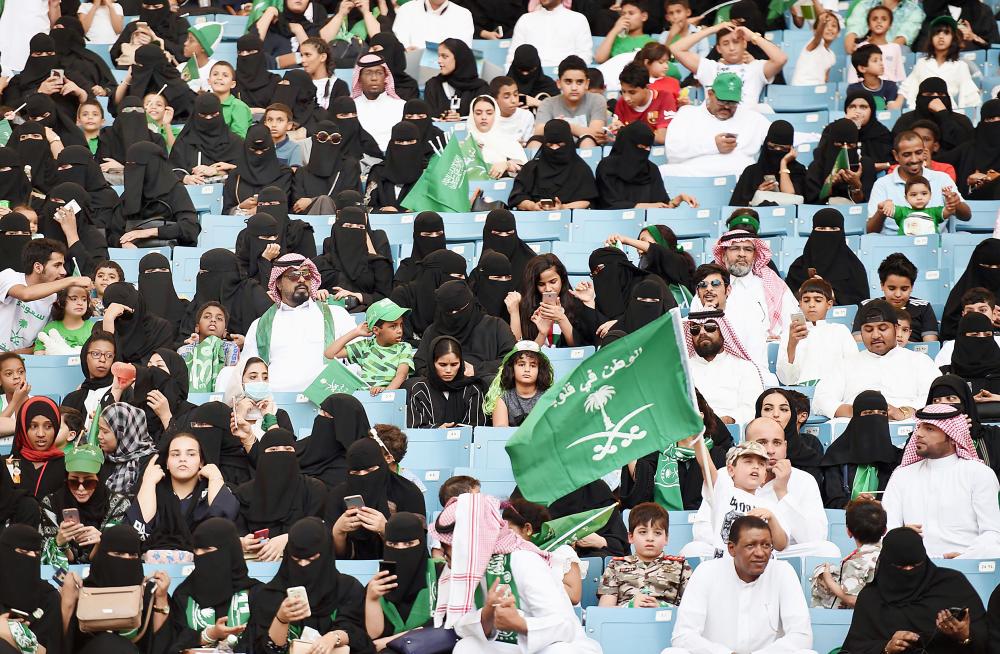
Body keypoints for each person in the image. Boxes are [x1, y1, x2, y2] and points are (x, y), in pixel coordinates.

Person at [431, 492, 603, 654]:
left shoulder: (524, 561)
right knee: (466, 647)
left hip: (551, 644)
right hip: (507, 645)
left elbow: (564, 626)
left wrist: (521, 624)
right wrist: (486, 615)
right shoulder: (460, 569)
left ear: (471, 542)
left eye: (449, 545)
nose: (443, 553)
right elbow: (460, 624)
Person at [666, 515, 814, 654]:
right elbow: (683, 636)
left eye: (766, 545)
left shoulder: (783, 572)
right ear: (732, 548)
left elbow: (802, 636)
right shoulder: (706, 572)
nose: (760, 553)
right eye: (751, 546)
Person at [881, 403, 1000, 559]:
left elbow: (992, 532)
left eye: (929, 429)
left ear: (952, 437)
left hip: (966, 566)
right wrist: (899, 536)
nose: (919, 434)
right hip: (913, 566)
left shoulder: (979, 474)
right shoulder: (902, 475)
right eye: (920, 427)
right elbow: (887, 528)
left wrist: (965, 558)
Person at [843, 526, 986, 653]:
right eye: (900, 567)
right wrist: (886, 648)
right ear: (886, 563)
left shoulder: (952, 585)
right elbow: (853, 648)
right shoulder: (871, 599)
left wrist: (965, 636)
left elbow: (989, 641)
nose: (909, 571)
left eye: (916, 565)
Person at [251, 516, 374, 653]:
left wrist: (335, 637)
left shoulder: (347, 588)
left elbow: (360, 636)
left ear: (326, 555)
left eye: (311, 560)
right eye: (296, 560)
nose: (303, 565)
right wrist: (281, 619)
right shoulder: (270, 594)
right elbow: (264, 650)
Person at [239, 254, 356, 392]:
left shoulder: (336, 315)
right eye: (294, 275)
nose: (301, 279)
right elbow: (249, 371)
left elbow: (359, 357)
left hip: (328, 400)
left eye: (306, 274)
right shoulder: (260, 325)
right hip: (277, 403)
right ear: (278, 283)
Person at [815, 299, 940, 418]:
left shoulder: (919, 361)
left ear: (896, 329)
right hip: (856, 428)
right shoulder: (845, 364)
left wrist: (903, 412)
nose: (875, 335)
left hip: (908, 427)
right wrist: (855, 411)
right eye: (868, 330)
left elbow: (936, 396)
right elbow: (822, 399)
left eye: (882, 328)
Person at [620, 390, 734, 511]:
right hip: (663, 525)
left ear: (701, 415)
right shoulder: (657, 453)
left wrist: (697, 435)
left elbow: (720, 492)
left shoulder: (717, 454)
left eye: (688, 411)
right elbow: (640, 492)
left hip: (705, 523)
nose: (682, 417)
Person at [167, 518, 261, 653]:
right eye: (196, 550)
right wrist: (209, 635)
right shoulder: (183, 596)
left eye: (207, 550)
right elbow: (172, 644)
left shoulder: (256, 594)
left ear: (229, 551)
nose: (199, 556)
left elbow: (263, 645)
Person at [234, 429, 328, 561]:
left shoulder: (313, 489)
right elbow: (237, 531)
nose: (282, 454)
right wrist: (243, 542)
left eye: (288, 449)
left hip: (301, 561)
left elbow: (319, 529)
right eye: (273, 450)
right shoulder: (244, 493)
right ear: (262, 455)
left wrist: (289, 538)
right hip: (255, 562)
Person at [328, 438, 425, 560]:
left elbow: (417, 551)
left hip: (396, 571)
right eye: (356, 472)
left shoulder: (408, 492)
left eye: (370, 470)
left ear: (383, 465)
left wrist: (387, 530)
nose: (363, 476)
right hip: (349, 574)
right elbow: (334, 559)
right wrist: (338, 532)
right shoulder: (338, 496)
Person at [38, 439, 129, 565]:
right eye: (74, 482)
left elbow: (121, 557)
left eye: (88, 482)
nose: (81, 489)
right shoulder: (51, 504)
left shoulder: (118, 504)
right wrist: (59, 542)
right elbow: (47, 560)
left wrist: (102, 542)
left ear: (100, 479)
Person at [661, 73, 771, 177]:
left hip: (737, 178)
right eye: (722, 101)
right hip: (694, 175)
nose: (727, 107)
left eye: (733, 102)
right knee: (663, 171)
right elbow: (673, 152)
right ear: (710, 94)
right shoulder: (687, 114)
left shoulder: (753, 118)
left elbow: (779, 137)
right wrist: (713, 145)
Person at [698, 229, 798, 343]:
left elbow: (793, 327)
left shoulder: (773, 285)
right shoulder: (707, 288)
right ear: (723, 254)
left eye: (748, 249)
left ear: (754, 255)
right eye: (735, 248)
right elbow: (697, 330)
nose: (742, 254)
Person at [669, 21, 787, 112]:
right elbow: (676, 49)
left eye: (736, 42)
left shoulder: (755, 68)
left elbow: (781, 59)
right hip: (714, 121)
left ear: (744, 43)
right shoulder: (710, 67)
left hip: (745, 122)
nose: (731, 48)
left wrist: (752, 36)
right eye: (726, 43)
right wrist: (714, 29)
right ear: (718, 48)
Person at [867, 130, 970, 234]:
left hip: (935, 243)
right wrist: (881, 213)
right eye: (907, 155)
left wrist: (956, 203)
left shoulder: (942, 178)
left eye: (918, 153)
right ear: (896, 155)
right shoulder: (882, 184)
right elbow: (870, 231)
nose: (914, 159)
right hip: (894, 244)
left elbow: (966, 216)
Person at [599, 502, 692, 608]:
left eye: (657, 533)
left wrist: (661, 607)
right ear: (631, 537)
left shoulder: (681, 566)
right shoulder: (615, 565)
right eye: (643, 532)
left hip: (666, 622)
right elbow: (604, 610)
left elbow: (692, 609)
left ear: (666, 538)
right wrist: (630, 606)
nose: (650, 538)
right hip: (626, 622)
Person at [0, 238, 84, 355]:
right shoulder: (8, 276)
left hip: (21, 363)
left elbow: (41, 343)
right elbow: (25, 294)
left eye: (63, 265)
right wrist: (72, 280)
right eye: (57, 265)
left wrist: (10, 357)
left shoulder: (55, 299)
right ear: (38, 267)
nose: (63, 271)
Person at [821, 391, 901, 508]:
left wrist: (883, 506)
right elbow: (831, 501)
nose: (876, 418)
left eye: (882, 413)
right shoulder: (836, 455)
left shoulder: (896, 457)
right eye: (868, 413)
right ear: (856, 417)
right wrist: (853, 505)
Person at [776, 277, 861, 387]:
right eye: (806, 300)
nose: (811, 305)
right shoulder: (791, 334)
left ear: (829, 304)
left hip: (835, 392)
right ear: (800, 304)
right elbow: (787, 380)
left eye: (818, 300)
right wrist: (792, 345)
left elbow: (853, 367)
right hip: (801, 395)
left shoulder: (840, 331)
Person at [685, 310, 763, 425]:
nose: (702, 332)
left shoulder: (744, 367)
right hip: (692, 431)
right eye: (695, 329)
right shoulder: (683, 369)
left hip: (731, 433)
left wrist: (728, 419)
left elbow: (751, 409)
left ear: (723, 330)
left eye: (710, 327)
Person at [180, 248, 272, 343]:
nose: (200, 276)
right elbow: (185, 335)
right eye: (201, 272)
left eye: (205, 272)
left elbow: (273, 332)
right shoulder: (200, 299)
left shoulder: (251, 293)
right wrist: (191, 342)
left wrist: (247, 342)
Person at [325, 298, 413, 393]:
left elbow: (401, 375)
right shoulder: (365, 346)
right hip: (365, 397)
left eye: (401, 325)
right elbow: (329, 354)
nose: (399, 330)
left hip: (390, 398)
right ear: (376, 330)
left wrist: (385, 393)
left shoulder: (404, 347)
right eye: (393, 326)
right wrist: (356, 332)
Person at [810, 498, 886, 609]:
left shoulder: (855, 563)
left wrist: (829, 581)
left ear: (849, 531)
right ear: (884, 530)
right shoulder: (889, 555)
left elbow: (853, 600)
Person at [0, 523, 64, 654]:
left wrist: (17, 636)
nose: (32, 557)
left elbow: (52, 649)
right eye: (23, 552)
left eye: (36, 553)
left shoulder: (48, 597)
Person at [786, 209, 870, 306]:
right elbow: (787, 303)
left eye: (833, 229)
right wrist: (805, 289)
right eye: (821, 229)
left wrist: (829, 292)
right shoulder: (799, 267)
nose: (827, 233)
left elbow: (862, 304)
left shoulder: (854, 267)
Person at [510, 119, 598, 211]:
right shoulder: (531, 168)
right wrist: (532, 206)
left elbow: (589, 200)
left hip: (570, 220)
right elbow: (517, 198)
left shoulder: (581, 169)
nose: (555, 149)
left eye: (560, 145)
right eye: (550, 145)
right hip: (534, 219)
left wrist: (563, 207)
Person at [316, 208, 394, 309]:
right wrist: (316, 293)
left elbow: (386, 299)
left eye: (360, 227)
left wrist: (359, 296)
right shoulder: (319, 264)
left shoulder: (379, 264)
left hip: (366, 318)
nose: (354, 230)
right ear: (337, 229)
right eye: (348, 226)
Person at [854, 253, 939, 343]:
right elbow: (858, 341)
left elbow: (930, 345)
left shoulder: (923, 307)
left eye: (904, 289)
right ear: (882, 285)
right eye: (892, 288)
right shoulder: (867, 306)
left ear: (912, 287)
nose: (898, 294)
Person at [597, 122, 683, 209]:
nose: (645, 152)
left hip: (650, 222)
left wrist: (676, 201)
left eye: (648, 148)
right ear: (627, 145)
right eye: (641, 147)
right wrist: (641, 206)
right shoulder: (607, 167)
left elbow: (661, 205)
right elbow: (608, 203)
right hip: (614, 221)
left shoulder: (651, 169)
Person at [901, 17, 981, 110]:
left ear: (953, 38)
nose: (941, 37)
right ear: (931, 38)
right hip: (922, 113)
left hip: (948, 113)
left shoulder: (960, 66)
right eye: (936, 33)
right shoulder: (921, 63)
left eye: (946, 33)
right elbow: (909, 87)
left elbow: (969, 96)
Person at [408, 335, 487, 428]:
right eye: (442, 364)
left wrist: (452, 434)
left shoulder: (472, 389)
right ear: (432, 363)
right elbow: (416, 427)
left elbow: (475, 426)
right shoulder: (420, 389)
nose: (448, 370)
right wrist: (436, 429)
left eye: (454, 364)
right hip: (429, 442)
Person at [531, 56, 608, 148]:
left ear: (587, 84)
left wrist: (563, 125)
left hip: (583, 148)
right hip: (555, 149)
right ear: (559, 83)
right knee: (535, 142)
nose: (574, 88)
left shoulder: (597, 100)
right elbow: (538, 131)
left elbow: (596, 134)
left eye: (579, 82)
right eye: (568, 82)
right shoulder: (548, 103)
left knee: (587, 140)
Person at [391, 249, 468, 341]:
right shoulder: (403, 295)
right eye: (457, 276)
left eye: (463, 276)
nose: (463, 281)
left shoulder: (464, 297)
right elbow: (401, 339)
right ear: (435, 275)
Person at [755, 387, 826, 483]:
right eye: (768, 409)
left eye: (784, 409)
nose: (776, 414)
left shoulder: (810, 457)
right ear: (759, 413)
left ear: (792, 415)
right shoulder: (745, 453)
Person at [730, 119, 806, 206]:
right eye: (772, 147)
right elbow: (736, 208)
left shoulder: (798, 171)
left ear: (790, 149)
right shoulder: (751, 172)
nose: (777, 151)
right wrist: (759, 194)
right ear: (766, 145)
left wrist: (783, 163)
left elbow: (791, 198)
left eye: (783, 149)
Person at [291, 120, 362, 210]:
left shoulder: (349, 168)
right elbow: (298, 205)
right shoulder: (302, 173)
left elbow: (351, 200)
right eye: (322, 137)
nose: (328, 142)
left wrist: (312, 201)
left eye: (335, 139)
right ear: (314, 139)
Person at [505, 0, 594, 70]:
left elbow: (585, 57)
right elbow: (512, 57)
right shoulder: (525, 19)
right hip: (530, 82)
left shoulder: (578, 19)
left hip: (567, 83)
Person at [805, 117, 876, 204]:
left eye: (851, 145)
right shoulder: (817, 167)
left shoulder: (864, 165)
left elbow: (866, 205)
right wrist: (828, 186)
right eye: (839, 144)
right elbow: (811, 205)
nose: (845, 149)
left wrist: (856, 185)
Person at [483, 340, 553, 427]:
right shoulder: (503, 399)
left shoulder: (548, 397)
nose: (527, 369)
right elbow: (499, 434)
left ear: (540, 370)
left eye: (533, 365)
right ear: (512, 368)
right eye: (521, 364)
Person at [942, 240, 1000, 340]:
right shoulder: (961, 293)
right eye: (987, 266)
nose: (993, 270)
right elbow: (948, 331)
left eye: (999, 266)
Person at [363, 121, 426, 211]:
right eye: (400, 142)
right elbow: (367, 206)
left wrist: (419, 211)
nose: (405, 145)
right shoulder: (378, 172)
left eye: (410, 141)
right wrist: (382, 210)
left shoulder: (427, 173)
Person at [351, 54, 406, 153]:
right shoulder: (351, 108)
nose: (374, 78)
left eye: (379, 73)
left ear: (385, 76)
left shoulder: (401, 106)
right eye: (368, 73)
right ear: (359, 77)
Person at [424, 39, 489, 120]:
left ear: (459, 58)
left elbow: (484, 118)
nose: (439, 61)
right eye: (439, 56)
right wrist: (442, 120)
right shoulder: (432, 85)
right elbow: (428, 118)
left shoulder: (481, 88)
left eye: (444, 56)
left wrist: (462, 120)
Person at [467, 95, 527, 178]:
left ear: (496, 114)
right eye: (478, 113)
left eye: (489, 113)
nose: (484, 117)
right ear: (472, 115)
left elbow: (526, 171)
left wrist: (507, 164)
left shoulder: (508, 141)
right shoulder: (465, 143)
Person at [33, 283, 94, 354]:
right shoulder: (51, 328)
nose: (80, 303)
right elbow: (39, 354)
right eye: (74, 299)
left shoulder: (93, 328)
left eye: (84, 299)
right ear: (61, 302)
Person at [947, 312, 1000, 393]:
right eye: (975, 335)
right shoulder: (946, 374)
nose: (982, 339)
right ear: (961, 338)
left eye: (987, 335)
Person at [844, 0, 925, 51]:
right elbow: (853, 30)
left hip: (892, 57)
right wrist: (852, 48)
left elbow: (902, 38)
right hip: (865, 55)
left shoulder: (914, 11)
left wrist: (878, 56)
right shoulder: (865, 4)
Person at [791, 10, 841, 86]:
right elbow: (818, 36)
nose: (830, 29)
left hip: (817, 91)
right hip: (801, 87)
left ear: (838, 33)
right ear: (815, 31)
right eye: (825, 26)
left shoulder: (832, 55)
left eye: (833, 26)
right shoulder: (815, 43)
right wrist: (822, 22)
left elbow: (826, 79)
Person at [849, 44, 904, 111]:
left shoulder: (890, 86)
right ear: (862, 68)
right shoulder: (854, 89)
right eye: (875, 61)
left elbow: (892, 112)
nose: (881, 63)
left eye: (881, 59)